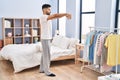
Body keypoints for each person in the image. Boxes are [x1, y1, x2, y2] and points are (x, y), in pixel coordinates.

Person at [39, 4, 71, 77]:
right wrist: (66, 14)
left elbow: (56, 16)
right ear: (44, 10)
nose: (50, 11)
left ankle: (41, 69)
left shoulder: (47, 17)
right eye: (48, 9)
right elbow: (55, 15)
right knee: (47, 55)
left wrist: (64, 15)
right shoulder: (43, 17)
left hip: (46, 38)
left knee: (44, 54)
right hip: (45, 38)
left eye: (50, 9)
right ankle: (47, 72)